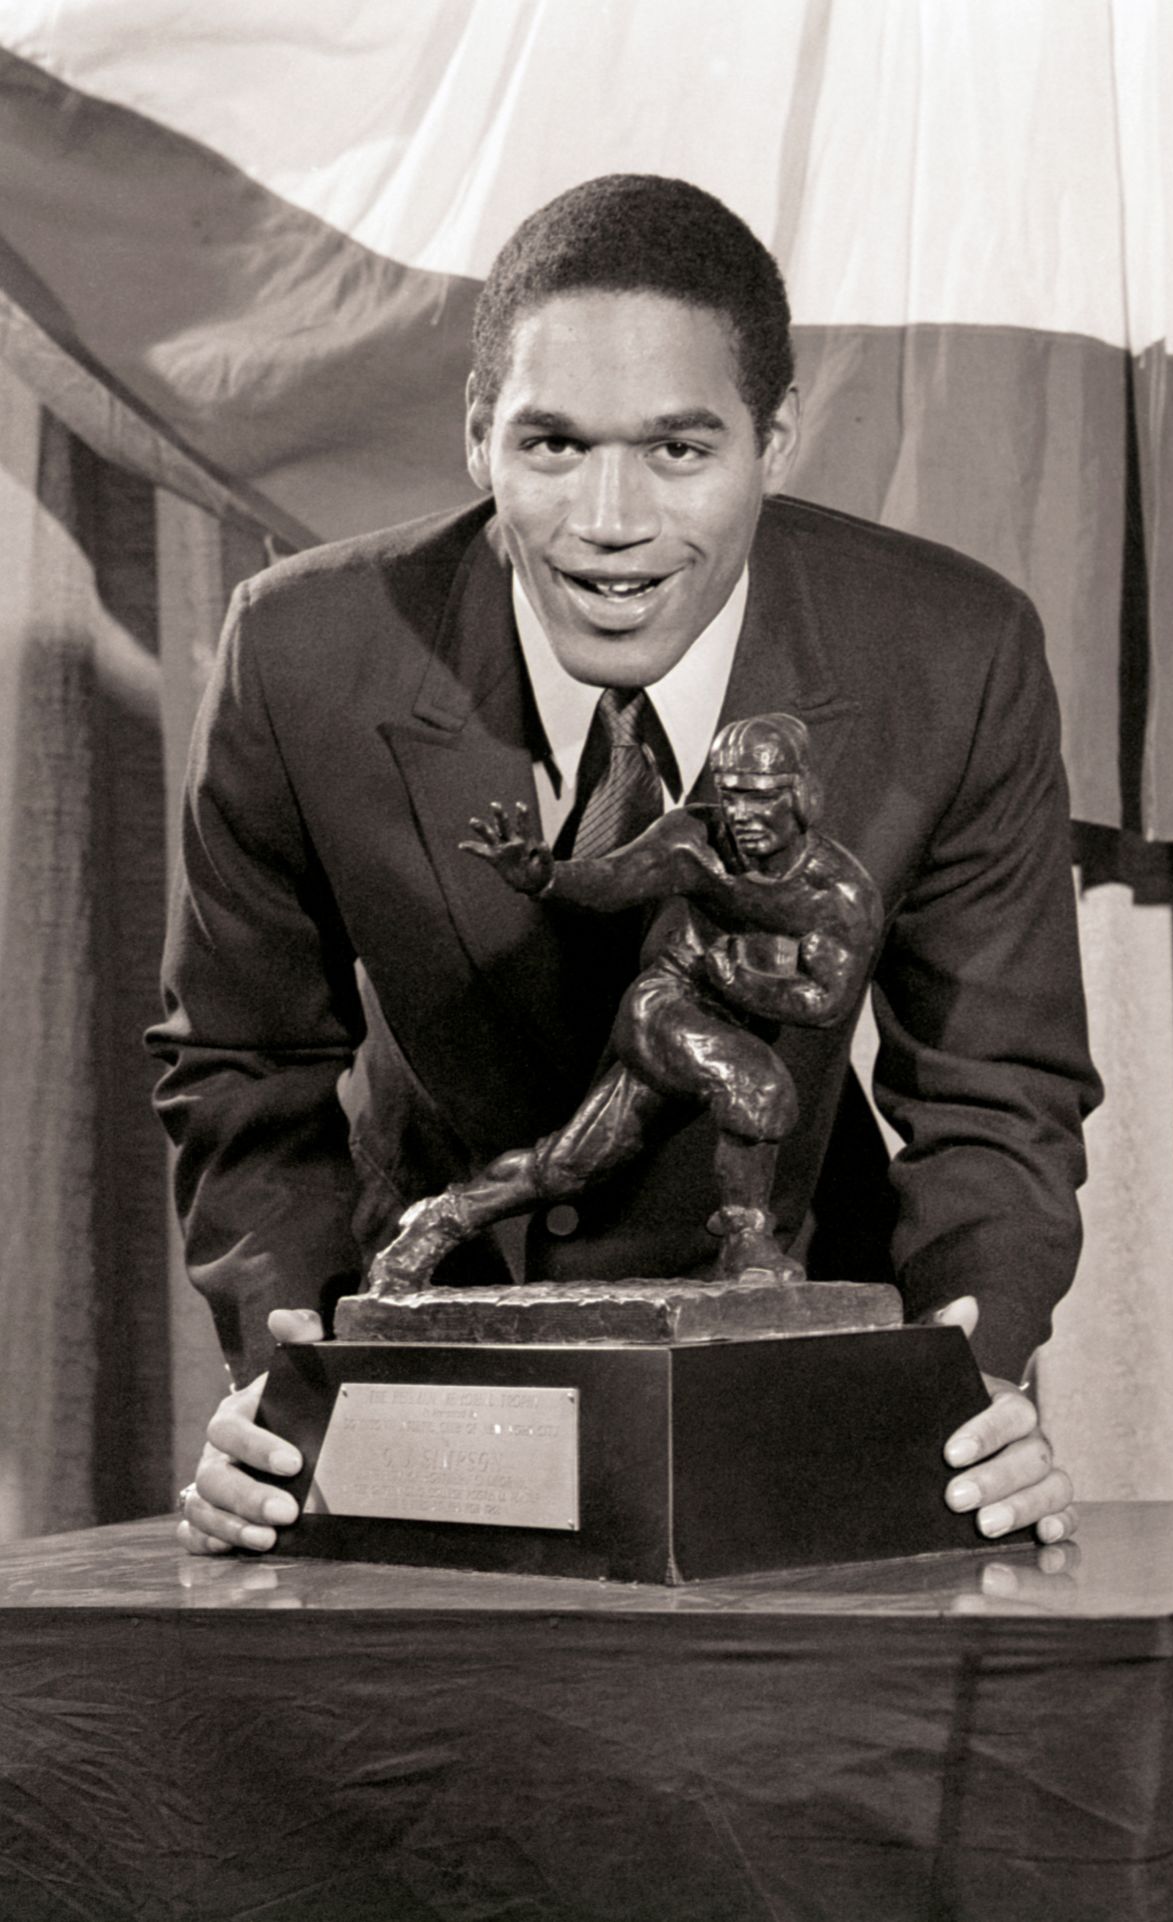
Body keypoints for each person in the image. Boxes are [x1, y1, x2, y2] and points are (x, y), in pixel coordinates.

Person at [151, 173, 1100, 1560]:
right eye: (552, 445)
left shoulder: (953, 655)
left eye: (676, 450)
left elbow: (997, 1086)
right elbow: (240, 1060)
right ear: (479, 439)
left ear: (773, 440)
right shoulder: (298, 654)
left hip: (792, 1360)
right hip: (429, 1368)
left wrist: (973, 1368)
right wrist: (285, 1358)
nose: (610, 518)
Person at [368, 712, 884, 1296]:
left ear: (802, 796)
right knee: (758, 1086)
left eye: (762, 797)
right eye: (732, 795)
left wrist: (741, 984)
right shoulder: (692, 841)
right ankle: (749, 1243)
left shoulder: (837, 894)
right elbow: (614, 878)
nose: (742, 815)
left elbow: (825, 1001)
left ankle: (437, 1221)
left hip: (720, 1014)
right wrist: (548, 879)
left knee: (569, 1166)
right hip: (666, 1003)